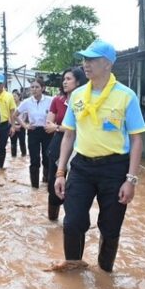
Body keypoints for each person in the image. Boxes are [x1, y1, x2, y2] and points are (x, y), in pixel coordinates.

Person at [53, 39, 145, 273]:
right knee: (72, 222)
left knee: (110, 226)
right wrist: (60, 172)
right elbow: (68, 136)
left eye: (91, 59)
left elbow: (137, 140)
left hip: (115, 169)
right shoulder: (76, 96)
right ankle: (73, 268)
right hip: (82, 167)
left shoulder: (126, 96)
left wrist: (131, 179)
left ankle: (105, 274)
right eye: (84, 59)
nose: (85, 64)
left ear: (107, 64)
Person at [45, 67, 87, 220]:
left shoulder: (85, 100)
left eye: (68, 79)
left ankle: (71, 219)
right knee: (53, 184)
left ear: (79, 81)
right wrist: (60, 127)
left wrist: (58, 127)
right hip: (58, 145)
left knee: (75, 186)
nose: (64, 82)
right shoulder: (57, 100)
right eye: (64, 79)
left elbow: (82, 126)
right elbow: (48, 124)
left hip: (80, 145)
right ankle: (52, 220)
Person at [15, 77, 53, 188]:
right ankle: (35, 186)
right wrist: (25, 125)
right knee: (34, 158)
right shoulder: (26, 102)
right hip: (33, 131)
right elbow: (15, 115)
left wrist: (53, 125)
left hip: (47, 131)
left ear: (43, 88)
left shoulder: (50, 100)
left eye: (37, 87)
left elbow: (56, 113)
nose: (34, 89)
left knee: (47, 157)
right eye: (32, 87)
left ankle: (47, 181)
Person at [0, 73, 17, 169]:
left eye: (0, 83)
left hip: (4, 125)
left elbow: (12, 112)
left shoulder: (9, 96)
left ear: (3, 84)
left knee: (1, 148)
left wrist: (13, 126)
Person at [10, 89, 27, 157]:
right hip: (13, 126)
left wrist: (21, 124)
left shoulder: (23, 104)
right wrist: (13, 126)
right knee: (13, 143)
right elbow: (9, 116)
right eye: (12, 96)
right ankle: (13, 157)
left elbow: (26, 116)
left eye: (15, 96)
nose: (13, 98)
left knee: (22, 142)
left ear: (19, 97)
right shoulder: (10, 105)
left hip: (21, 126)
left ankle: (24, 156)